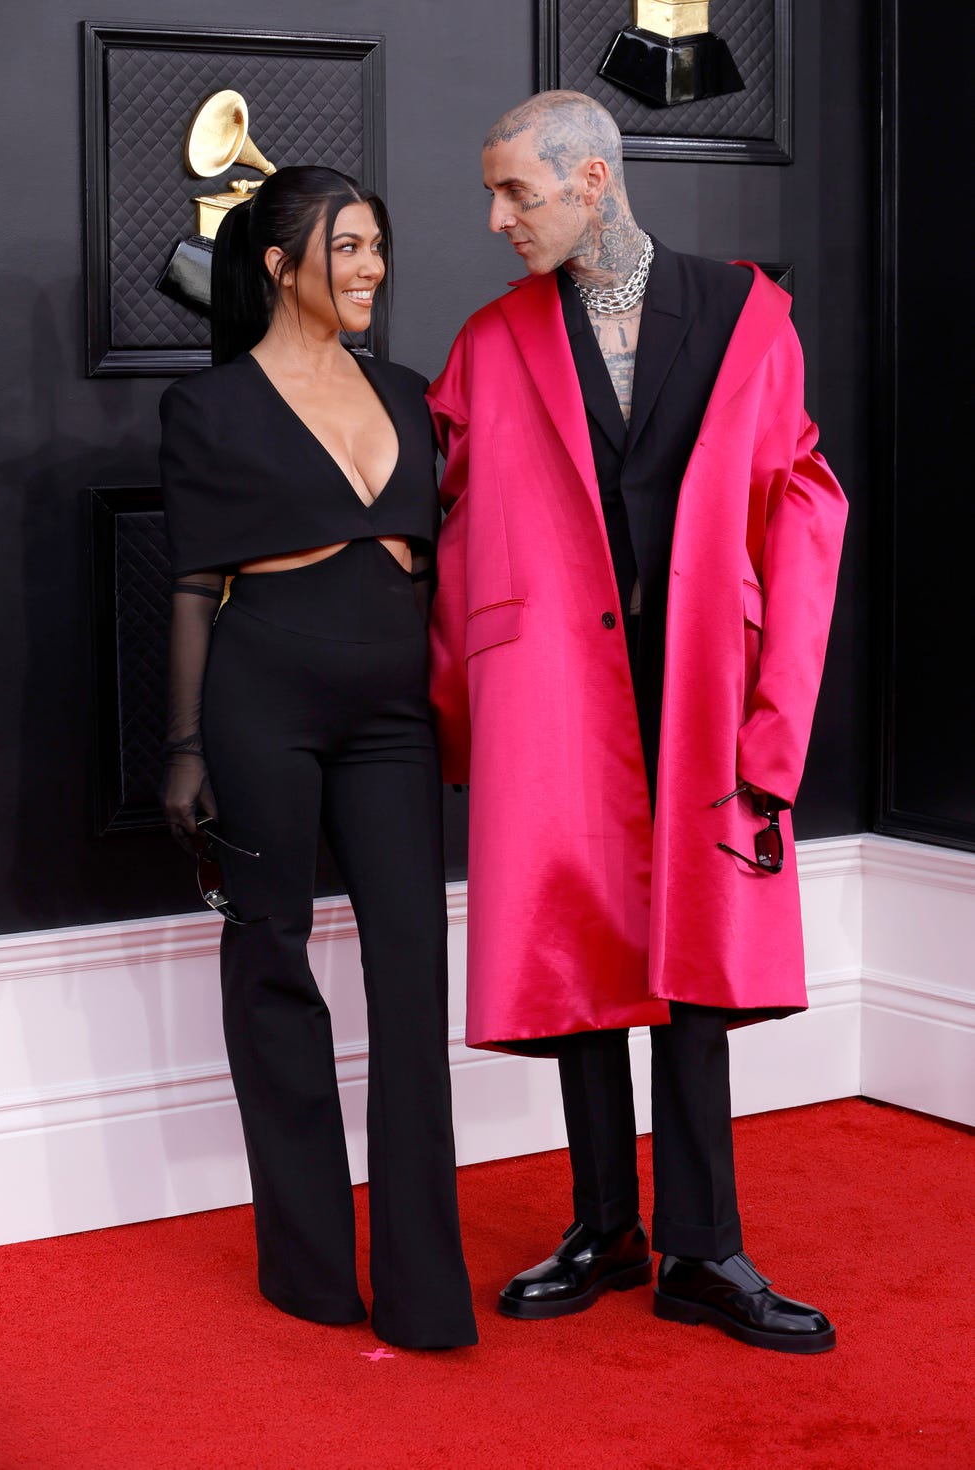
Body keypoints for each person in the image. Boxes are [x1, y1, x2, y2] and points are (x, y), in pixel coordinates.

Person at [427, 91, 847, 1353]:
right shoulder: (491, 342)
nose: (497, 218)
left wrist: (774, 719)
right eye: (495, 193)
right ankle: (604, 1223)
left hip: (701, 681)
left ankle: (702, 1249)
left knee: (696, 965)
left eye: (518, 192)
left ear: (592, 181)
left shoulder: (741, 318)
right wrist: (466, 709)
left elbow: (799, 513)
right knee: (576, 948)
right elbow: (449, 527)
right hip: (556, 684)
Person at [158, 164, 477, 1351]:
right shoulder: (209, 408)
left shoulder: (407, 392)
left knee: (411, 977)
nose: (370, 268)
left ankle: (422, 1284)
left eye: (377, 247)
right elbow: (194, 586)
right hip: (261, 697)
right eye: (345, 247)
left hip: (392, 711)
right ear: (280, 265)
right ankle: (304, 1264)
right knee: (272, 956)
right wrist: (185, 746)